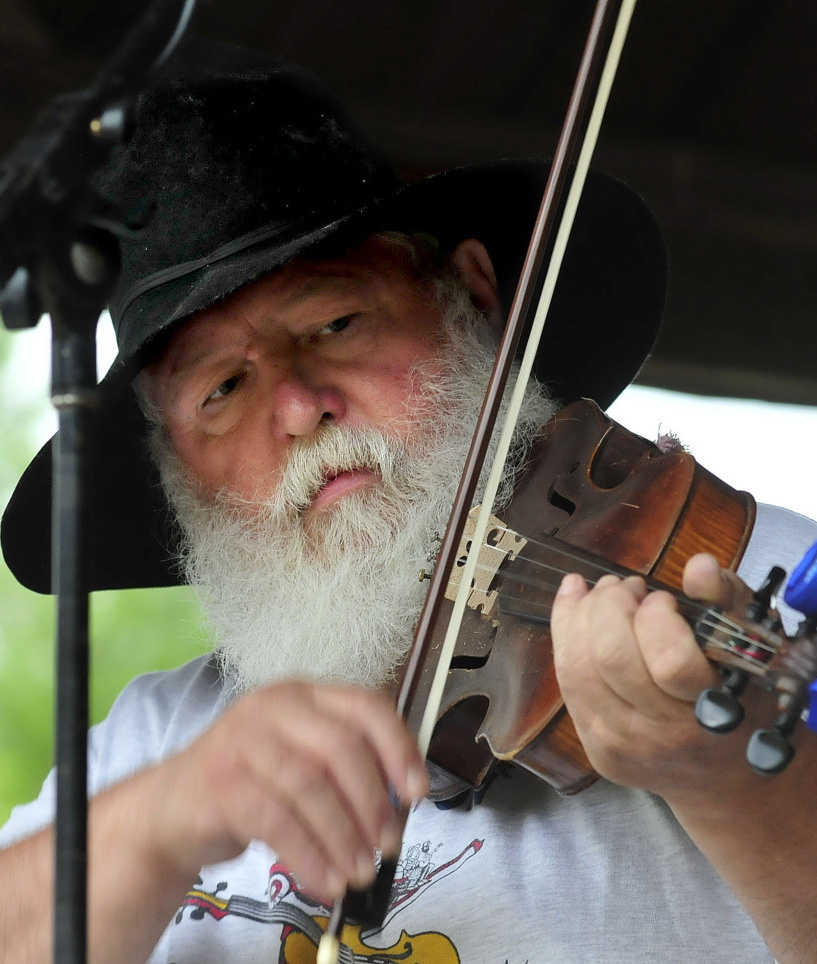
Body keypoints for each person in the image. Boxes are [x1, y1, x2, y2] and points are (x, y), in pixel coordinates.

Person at [2, 38, 817, 964]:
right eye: (222, 390)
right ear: (178, 474)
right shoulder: (163, 736)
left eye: (335, 324)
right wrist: (162, 818)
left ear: (472, 295)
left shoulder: (745, 579)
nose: (301, 408)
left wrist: (732, 789)